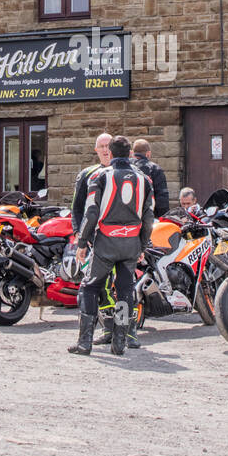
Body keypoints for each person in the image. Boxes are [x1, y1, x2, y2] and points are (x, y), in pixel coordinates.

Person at [68, 135, 154, 357]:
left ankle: (84, 343)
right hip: (131, 243)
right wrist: (142, 245)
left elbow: (91, 212)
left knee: (89, 287)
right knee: (125, 290)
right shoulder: (144, 179)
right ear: (130, 154)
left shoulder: (100, 176)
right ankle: (120, 342)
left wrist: (82, 241)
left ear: (112, 154)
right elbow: (148, 217)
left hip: (106, 242)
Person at [71, 132, 113, 236]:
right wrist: (77, 232)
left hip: (120, 233)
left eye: (108, 146)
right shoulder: (86, 174)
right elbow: (77, 206)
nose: (105, 149)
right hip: (93, 234)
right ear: (96, 150)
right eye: (101, 146)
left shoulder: (127, 173)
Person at [130, 138, 170, 216]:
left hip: (129, 217)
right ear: (148, 154)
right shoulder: (155, 169)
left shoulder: (127, 168)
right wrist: (164, 218)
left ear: (132, 153)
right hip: (149, 217)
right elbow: (162, 199)